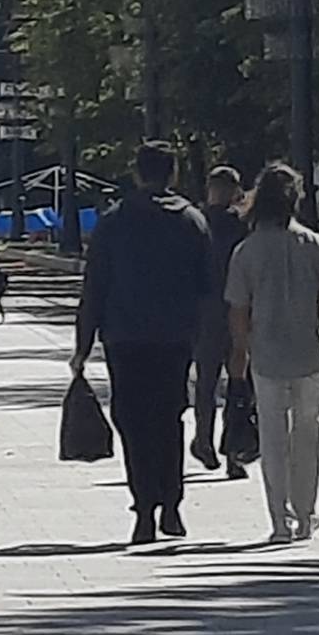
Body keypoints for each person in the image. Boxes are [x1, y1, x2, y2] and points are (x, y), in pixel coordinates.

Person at [72, 142, 211, 545]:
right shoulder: (192, 221)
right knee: (170, 418)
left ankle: (145, 508)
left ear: (136, 173)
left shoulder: (113, 222)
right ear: (173, 174)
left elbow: (94, 288)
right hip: (175, 338)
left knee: (133, 422)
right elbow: (208, 287)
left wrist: (82, 345)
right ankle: (171, 504)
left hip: (125, 337)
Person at [226, 161, 319, 544]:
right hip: (309, 354)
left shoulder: (246, 252)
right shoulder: (316, 246)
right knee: (308, 434)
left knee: (273, 437)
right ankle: (306, 514)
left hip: (265, 356)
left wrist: (239, 355)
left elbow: (238, 311)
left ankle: (279, 520)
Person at [192, 165, 247, 477]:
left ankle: (215, 445)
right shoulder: (240, 225)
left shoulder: (195, 222)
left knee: (216, 383)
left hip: (213, 313)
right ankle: (221, 448)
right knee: (229, 383)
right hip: (225, 312)